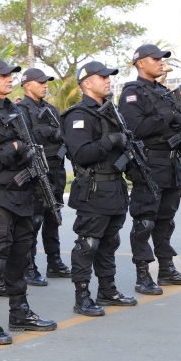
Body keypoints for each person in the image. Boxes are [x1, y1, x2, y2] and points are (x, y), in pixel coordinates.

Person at [0, 58, 57, 345]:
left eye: (10, 74)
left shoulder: (15, 111)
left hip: (23, 195)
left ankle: (20, 312)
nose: (8, 78)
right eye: (2, 75)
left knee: (20, 257)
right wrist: (14, 147)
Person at [118, 44, 181, 294]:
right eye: (155, 59)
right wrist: (168, 117)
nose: (160, 62)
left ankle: (166, 269)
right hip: (149, 165)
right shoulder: (132, 93)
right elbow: (135, 128)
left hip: (171, 164)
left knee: (166, 221)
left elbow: (178, 126)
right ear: (140, 63)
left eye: (162, 59)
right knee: (144, 222)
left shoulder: (164, 92)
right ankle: (143, 275)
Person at [62, 61, 138, 316]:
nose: (108, 80)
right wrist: (111, 140)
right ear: (86, 83)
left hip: (115, 187)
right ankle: (82, 296)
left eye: (109, 77)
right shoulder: (79, 115)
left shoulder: (111, 112)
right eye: (102, 77)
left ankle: (107, 290)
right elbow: (81, 154)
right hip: (94, 189)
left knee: (109, 242)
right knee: (88, 244)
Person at [17, 68, 72, 285]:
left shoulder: (51, 109)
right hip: (36, 172)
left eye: (46, 82)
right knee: (34, 221)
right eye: (40, 82)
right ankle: (28, 266)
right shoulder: (21, 110)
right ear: (27, 85)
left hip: (56, 170)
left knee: (53, 217)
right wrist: (50, 133)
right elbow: (26, 139)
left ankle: (54, 261)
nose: (45, 85)